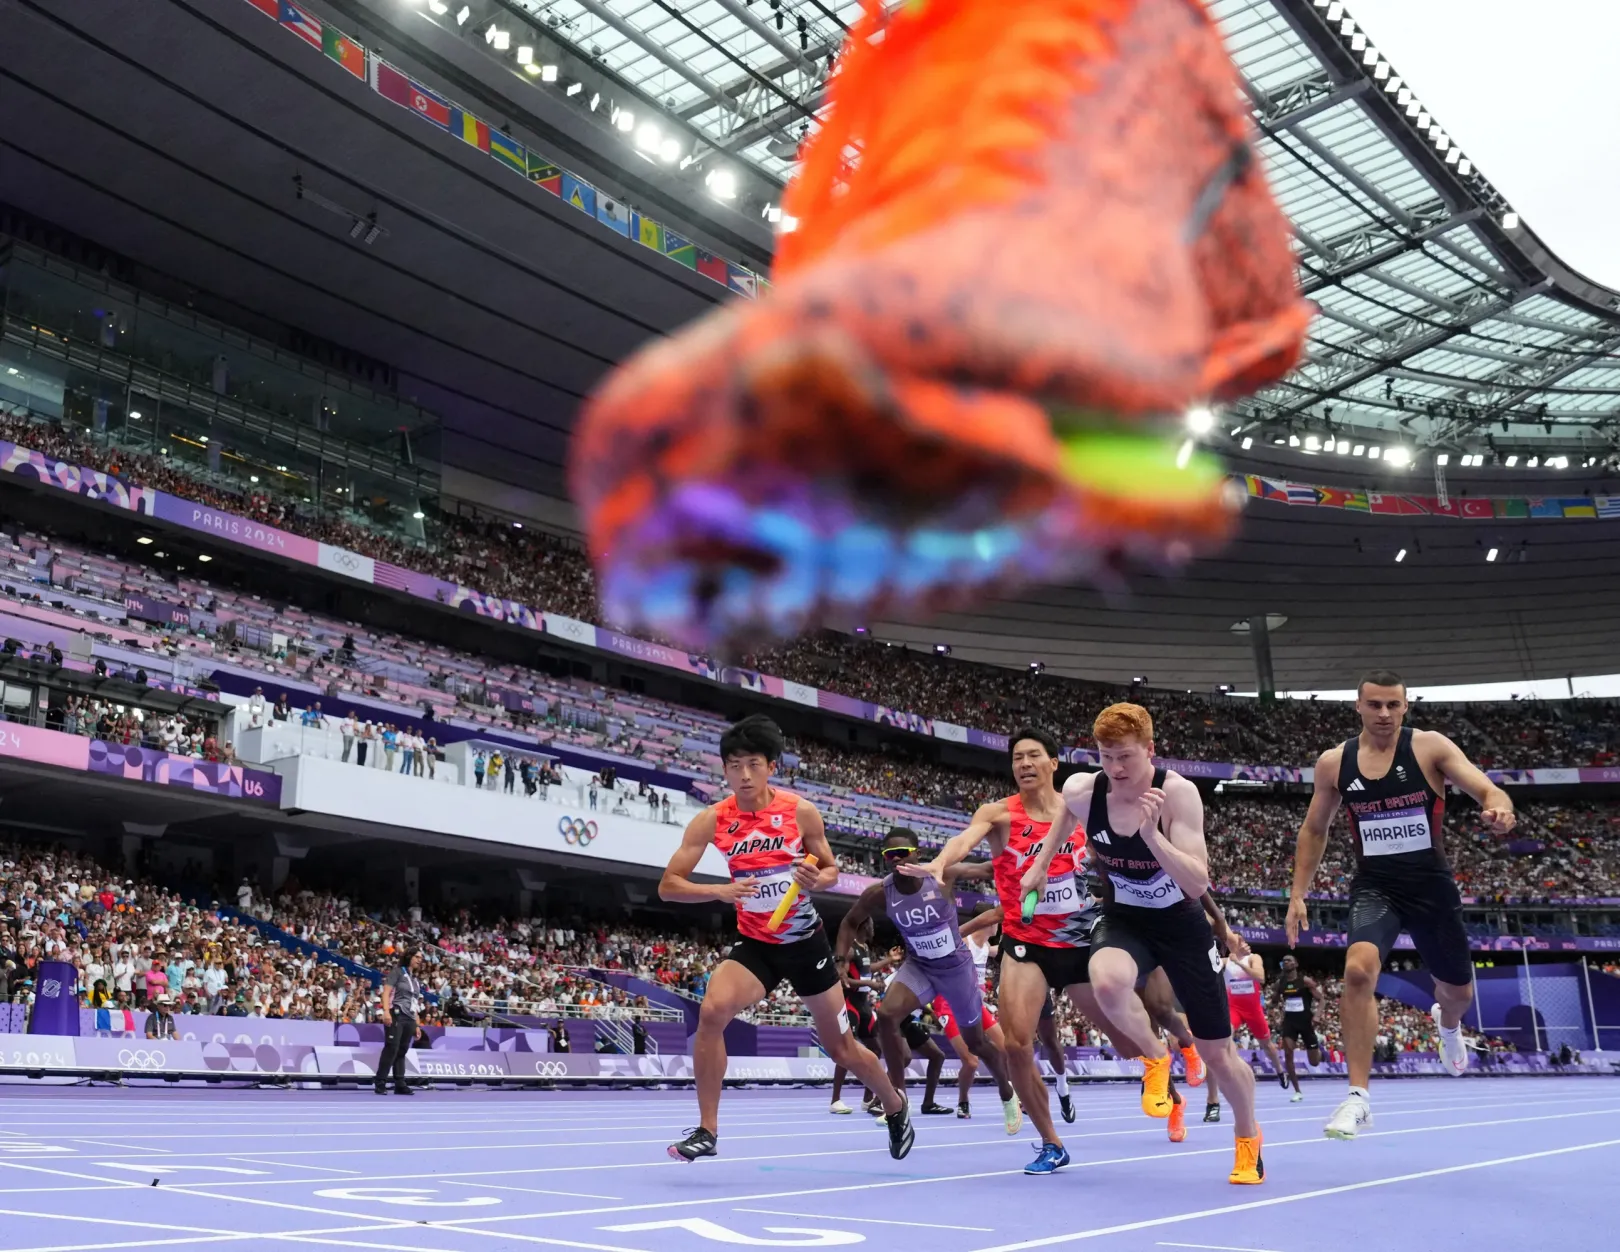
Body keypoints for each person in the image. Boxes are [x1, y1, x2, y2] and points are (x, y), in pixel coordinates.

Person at [1021, 703, 1263, 1184]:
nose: (1116, 769)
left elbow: (1196, 884)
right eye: (1106, 757)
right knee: (1106, 980)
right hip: (1126, 918)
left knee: (1219, 1053)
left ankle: (1247, 1138)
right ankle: (1156, 1056)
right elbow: (1066, 819)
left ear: (1150, 751)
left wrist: (1152, 836)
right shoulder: (1082, 789)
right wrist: (1042, 863)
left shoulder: (1178, 795)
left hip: (1182, 926)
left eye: (1126, 757)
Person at [658, 714, 913, 1163]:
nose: (744, 775)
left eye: (753, 764)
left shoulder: (799, 811)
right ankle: (707, 1130)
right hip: (756, 943)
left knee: (842, 1047)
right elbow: (669, 885)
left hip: (805, 944)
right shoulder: (711, 820)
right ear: (724, 770)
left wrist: (817, 878)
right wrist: (719, 889)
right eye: (734, 765)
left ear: (771, 766)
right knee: (712, 1011)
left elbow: (832, 870)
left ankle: (894, 1105)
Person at [1286, 670, 1514, 1139]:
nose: (1384, 714)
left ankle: (1447, 1026)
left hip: (1431, 887)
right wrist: (1297, 893)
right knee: (1357, 970)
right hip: (1376, 887)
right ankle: (1357, 1098)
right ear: (1358, 707)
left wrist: (1499, 808)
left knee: (1457, 994)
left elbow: (1486, 787)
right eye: (1375, 705)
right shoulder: (1334, 763)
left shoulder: (1430, 747)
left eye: (1393, 705)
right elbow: (1314, 829)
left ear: (1405, 706)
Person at [916, 726, 1133, 1174]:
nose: (1025, 764)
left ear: (1054, 763)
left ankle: (1164, 1067)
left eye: (1034, 755)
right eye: (1017, 758)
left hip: (1079, 942)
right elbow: (966, 839)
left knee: (1128, 1043)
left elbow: (1110, 862)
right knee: (1016, 1045)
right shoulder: (999, 814)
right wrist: (940, 862)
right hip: (1025, 942)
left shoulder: (1082, 813)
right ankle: (1051, 1143)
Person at [836, 829, 1022, 1133]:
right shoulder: (880, 892)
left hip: (956, 970)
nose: (895, 860)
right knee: (886, 1015)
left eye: (901, 853)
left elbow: (989, 868)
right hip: (920, 967)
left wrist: (1025, 854)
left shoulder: (943, 875)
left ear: (917, 854)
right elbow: (848, 922)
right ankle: (898, 1097)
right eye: (888, 856)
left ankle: (1006, 1091)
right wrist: (841, 962)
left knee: (976, 1043)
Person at [1204, 947, 1282, 1122]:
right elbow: (1207, 963)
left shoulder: (1254, 957)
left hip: (1253, 1010)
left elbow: (1260, 977)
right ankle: (1213, 1101)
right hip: (1234, 1009)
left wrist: (1239, 962)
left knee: (1267, 1045)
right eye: (1237, 939)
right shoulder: (1226, 961)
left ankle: (1279, 1071)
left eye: (1244, 940)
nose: (1243, 943)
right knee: (1218, 1043)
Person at [1270, 955, 1323, 1104]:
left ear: (1296, 964)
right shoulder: (1281, 983)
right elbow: (1274, 1001)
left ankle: (1319, 1053)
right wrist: (1274, 999)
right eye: (1284, 960)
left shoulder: (1305, 981)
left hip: (1306, 1022)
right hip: (1290, 1023)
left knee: (1314, 1062)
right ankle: (1297, 1091)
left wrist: (1317, 1015)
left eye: (1289, 960)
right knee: (1288, 1054)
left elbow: (1322, 1000)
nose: (1286, 962)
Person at [375, 947, 424, 1096]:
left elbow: (414, 1002)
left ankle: (400, 1083)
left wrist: (417, 1024)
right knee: (392, 1048)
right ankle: (380, 1082)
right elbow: (387, 992)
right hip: (396, 1013)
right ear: (409, 956)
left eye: (421, 958)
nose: (419, 960)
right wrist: (385, 1011)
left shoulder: (415, 980)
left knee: (402, 1051)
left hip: (409, 1018)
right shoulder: (397, 972)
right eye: (417, 957)